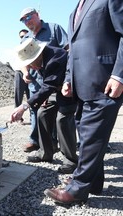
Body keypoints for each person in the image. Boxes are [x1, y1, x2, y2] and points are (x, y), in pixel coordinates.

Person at [44, 0, 123, 204]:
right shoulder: (73, 12)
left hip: (105, 81)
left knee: (91, 137)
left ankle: (77, 190)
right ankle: (94, 181)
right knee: (88, 134)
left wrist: (119, 75)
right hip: (81, 85)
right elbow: (74, 50)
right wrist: (69, 78)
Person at [19, 8, 78, 174]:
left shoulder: (55, 54)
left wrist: (23, 106)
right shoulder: (31, 46)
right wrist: (42, 95)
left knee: (63, 119)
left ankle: (71, 160)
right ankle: (45, 152)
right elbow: (47, 84)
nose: (32, 67)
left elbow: (69, 54)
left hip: (67, 86)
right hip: (51, 87)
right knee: (42, 113)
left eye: (33, 63)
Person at [14, 29, 30, 124]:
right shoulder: (18, 49)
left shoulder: (33, 48)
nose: (23, 37)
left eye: (25, 35)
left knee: (31, 95)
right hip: (19, 73)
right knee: (18, 95)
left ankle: (33, 116)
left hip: (30, 74)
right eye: (21, 36)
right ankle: (17, 117)